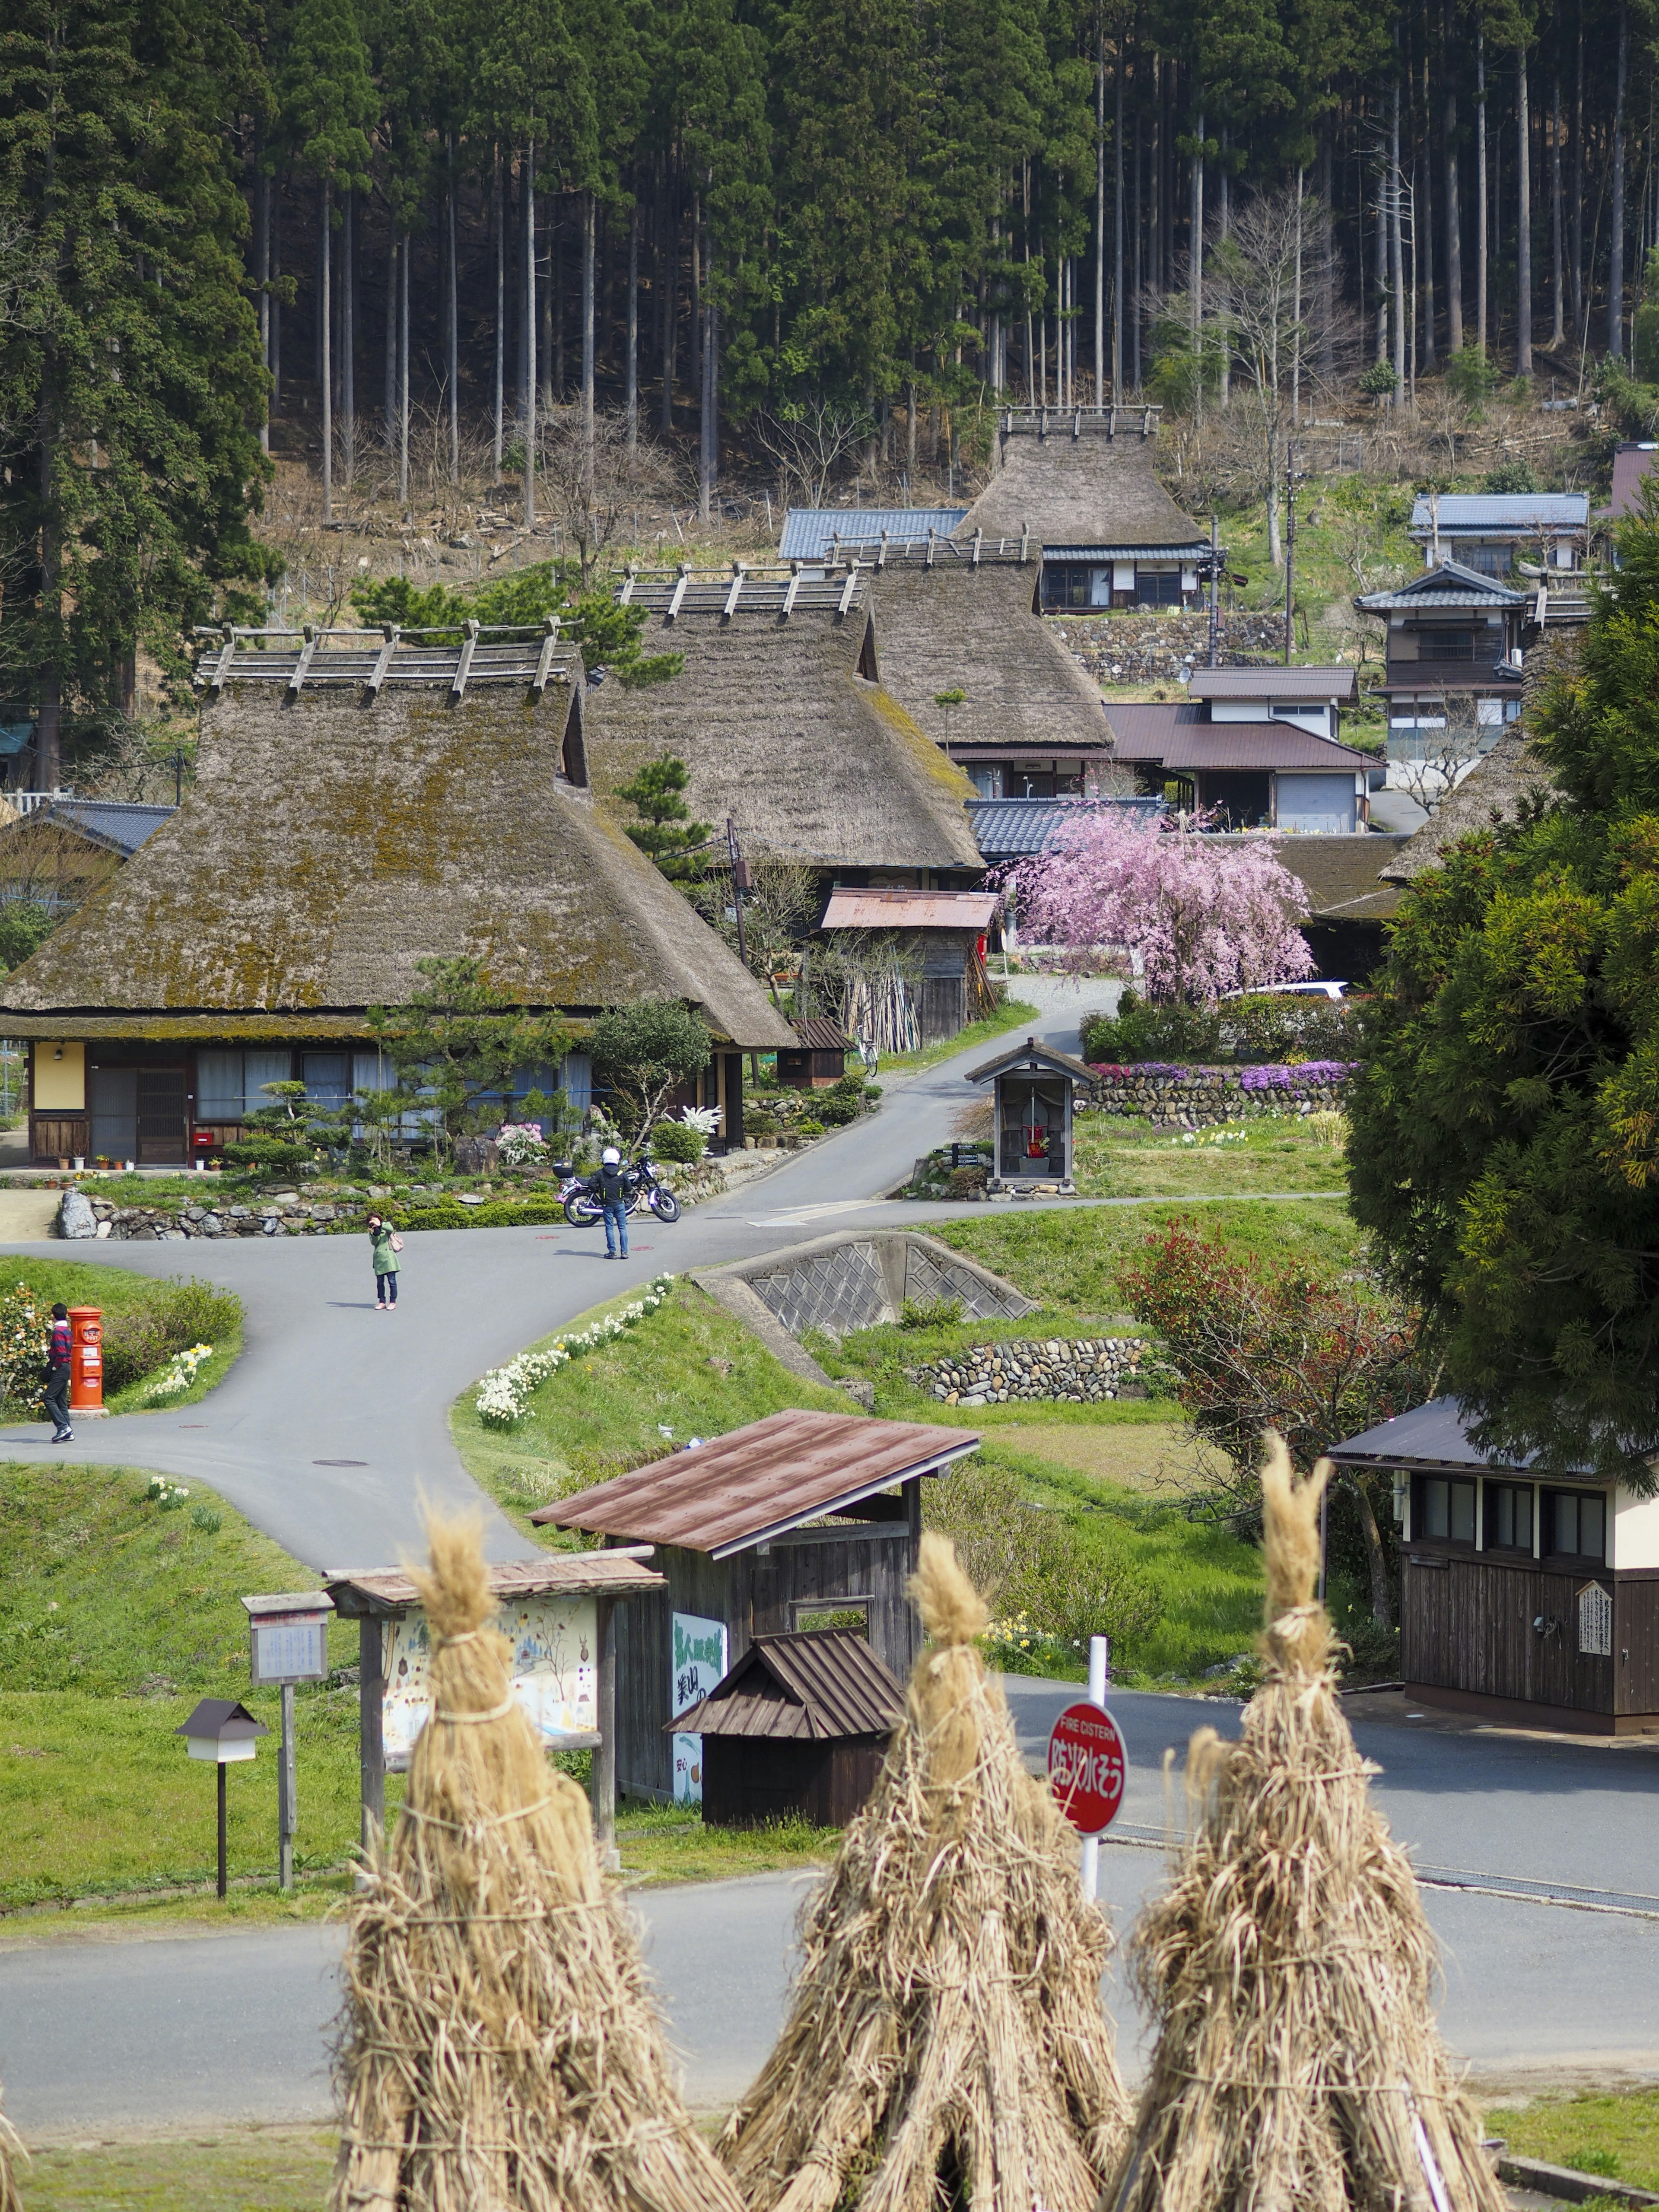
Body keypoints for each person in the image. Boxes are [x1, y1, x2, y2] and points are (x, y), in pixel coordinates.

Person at [589, 1145, 629, 1259]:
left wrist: (598, 1191)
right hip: (619, 1203)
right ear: (617, 1159)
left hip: (607, 1204)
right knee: (622, 1228)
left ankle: (612, 1252)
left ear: (604, 1158)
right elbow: (629, 1188)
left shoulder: (600, 1173)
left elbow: (591, 1184)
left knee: (610, 1228)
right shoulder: (621, 1173)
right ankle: (625, 1252)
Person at [44, 1302, 73, 1442]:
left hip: (60, 1368)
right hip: (67, 1368)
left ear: (54, 1316)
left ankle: (63, 1427)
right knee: (61, 1401)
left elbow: (61, 1353)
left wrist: (54, 1367)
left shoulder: (58, 1332)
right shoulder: (68, 1330)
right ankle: (68, 1431)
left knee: (48, 1398)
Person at [367, 1212, 402, 1309]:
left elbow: (391, 1229)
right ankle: (382, 1302)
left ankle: (393, 1302)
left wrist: (380, 1225)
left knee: (392, 1281)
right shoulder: (371, 1230)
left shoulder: (386, 1226)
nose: (373, 1222)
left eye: (375, 1219)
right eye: (372, 1220)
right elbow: (374, 1243)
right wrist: (375, 1233)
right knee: (380, 1283)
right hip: (379, 1259)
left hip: (389, 1258)